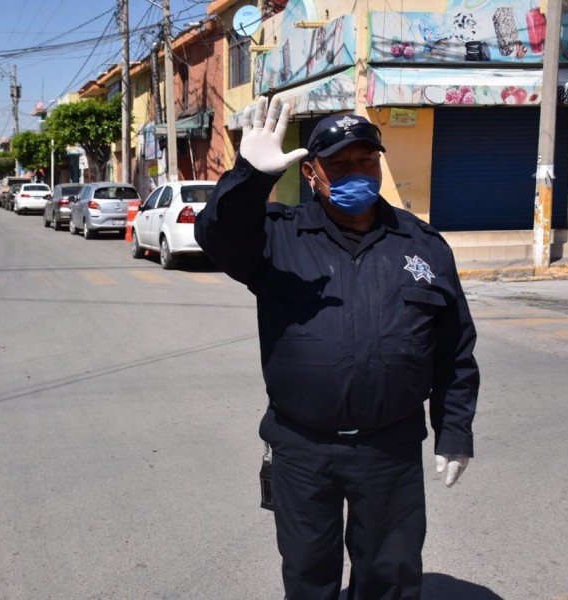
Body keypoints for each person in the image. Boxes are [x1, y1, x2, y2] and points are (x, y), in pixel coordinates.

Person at [194, 96, 480, 600]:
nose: (356, 172)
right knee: (309, 576)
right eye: (339, 164)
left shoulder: (424, 246)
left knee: (389, 575)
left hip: (389, 448)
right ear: (311, 174)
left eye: (365, 161)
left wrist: (454, 431)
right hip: (303, 447)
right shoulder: (277, 237)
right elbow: (218, 237)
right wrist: (249, 177)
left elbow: (454, 349)